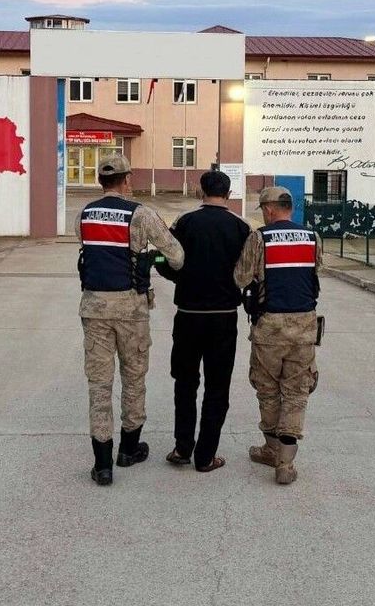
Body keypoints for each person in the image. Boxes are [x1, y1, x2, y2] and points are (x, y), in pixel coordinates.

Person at [76, 154, 184, 487]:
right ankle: (129, 449)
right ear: (127, 179)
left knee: (99, 385)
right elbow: (177, 256)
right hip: (130, 310)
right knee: (133, 377)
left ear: (100, 181)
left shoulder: (84, 214)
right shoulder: (140, 214)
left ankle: (102, 464)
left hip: (94, 307)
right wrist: (150, 258)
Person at [154, 169, 251, 473]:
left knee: (185, 382)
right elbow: (249, 270)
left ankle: (182, 447)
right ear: (229, 194)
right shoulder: (241, 227)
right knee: (217, 387)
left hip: (188, 316)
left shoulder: (184, 222)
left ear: (200, 191)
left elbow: (163, 259)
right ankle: (206, 456)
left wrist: (181, 278)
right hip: (224, 318)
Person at [234, 186, 322, 485]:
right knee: (297, 392)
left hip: (269, 327)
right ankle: (285, 463)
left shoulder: (260, 238)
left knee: (268, 389)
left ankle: (271, 450)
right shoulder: (312, 237)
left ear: (270, 209)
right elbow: (315, 272)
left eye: (262, 210)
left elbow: (240, 278)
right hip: (304, 326)